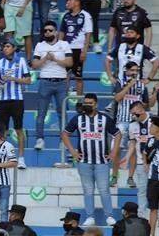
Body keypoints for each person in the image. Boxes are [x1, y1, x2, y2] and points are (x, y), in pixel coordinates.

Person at [62, 93, 120, 226]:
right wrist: (73, 152)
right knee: (88, 190)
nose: (88, 105)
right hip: (84, 162)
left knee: (104, 189)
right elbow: (65, 134)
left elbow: (118, 134)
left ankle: (109, 216)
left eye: (90, 103)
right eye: (86, 103)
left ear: (96, 104)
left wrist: (113, 153)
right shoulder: (78, 119)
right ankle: (90, 217)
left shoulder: (105, 118)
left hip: (102, 162)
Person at [33, 21, 74, 151]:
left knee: (62, 114)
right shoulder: (40, 45)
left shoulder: (64, 44)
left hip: (61, 82)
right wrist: (45, 58)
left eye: (50, 30)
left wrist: (55, 59)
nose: (47, 33)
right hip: (45, 81)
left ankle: (63, 141)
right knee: (41, 114)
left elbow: (70, 62)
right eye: (45, 31)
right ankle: (40, 139)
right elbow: (34, 64)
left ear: (56, 32)